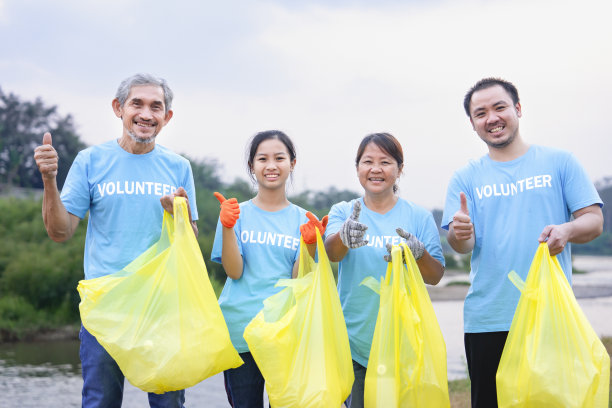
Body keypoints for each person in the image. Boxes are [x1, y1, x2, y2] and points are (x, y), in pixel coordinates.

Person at [33, 73, 198, 408]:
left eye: (156, 106)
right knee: (101, 402)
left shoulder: (178, 167)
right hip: (105, 306)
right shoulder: (90, 161)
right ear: (118, 108)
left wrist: (177, 215)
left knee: (169, 403)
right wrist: (50, 180)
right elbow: (60, 232)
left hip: (160, 307)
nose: (146, 113)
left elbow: (191, 244)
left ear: (167, 118)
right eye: (137, 103)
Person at [441, 77, 604, 408]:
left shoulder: (559, 162)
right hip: (488, 316)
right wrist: (460, 235)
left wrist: (567, 230)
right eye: (481, 112)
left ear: (517, 108)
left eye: (499, 107)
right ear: (472, 124)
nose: (492, 118)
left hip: (549, 314)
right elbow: (462, 246)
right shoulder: (465, 177)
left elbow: (594, 220)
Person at [324, 132, 445, 408]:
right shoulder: (343, 211)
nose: (376, 169)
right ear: (357, 169)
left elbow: (435, 275)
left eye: (386, 162)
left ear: (399, 170)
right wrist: (344, 236)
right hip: (352, 340)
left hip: (403, 341)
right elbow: (332, 253)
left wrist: (418, 253)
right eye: (368, 161)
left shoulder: (419, 216)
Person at [211, 130, 326, 408]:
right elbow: (234, 271)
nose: (271, 165)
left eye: (279, 158)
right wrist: (227, 227)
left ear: (292, 163)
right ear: (252, 166)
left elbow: (298, 279)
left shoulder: (302, 219)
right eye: (262, 159)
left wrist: (310, 246)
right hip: (241, 330)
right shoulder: (235, 212)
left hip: (285, 333)